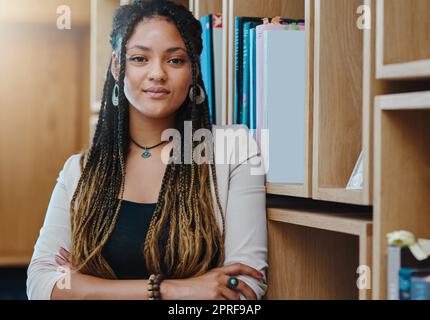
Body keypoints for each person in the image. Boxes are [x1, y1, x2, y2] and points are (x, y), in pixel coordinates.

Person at [26, 0, 267, 300]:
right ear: (117, 65)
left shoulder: (234, 151)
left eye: (175, 60)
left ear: (194, 69)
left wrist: (88, 288)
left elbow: (243, 293)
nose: (157, 73)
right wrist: (171, 289)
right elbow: (41, 285)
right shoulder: (80, 170)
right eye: (140, 59)